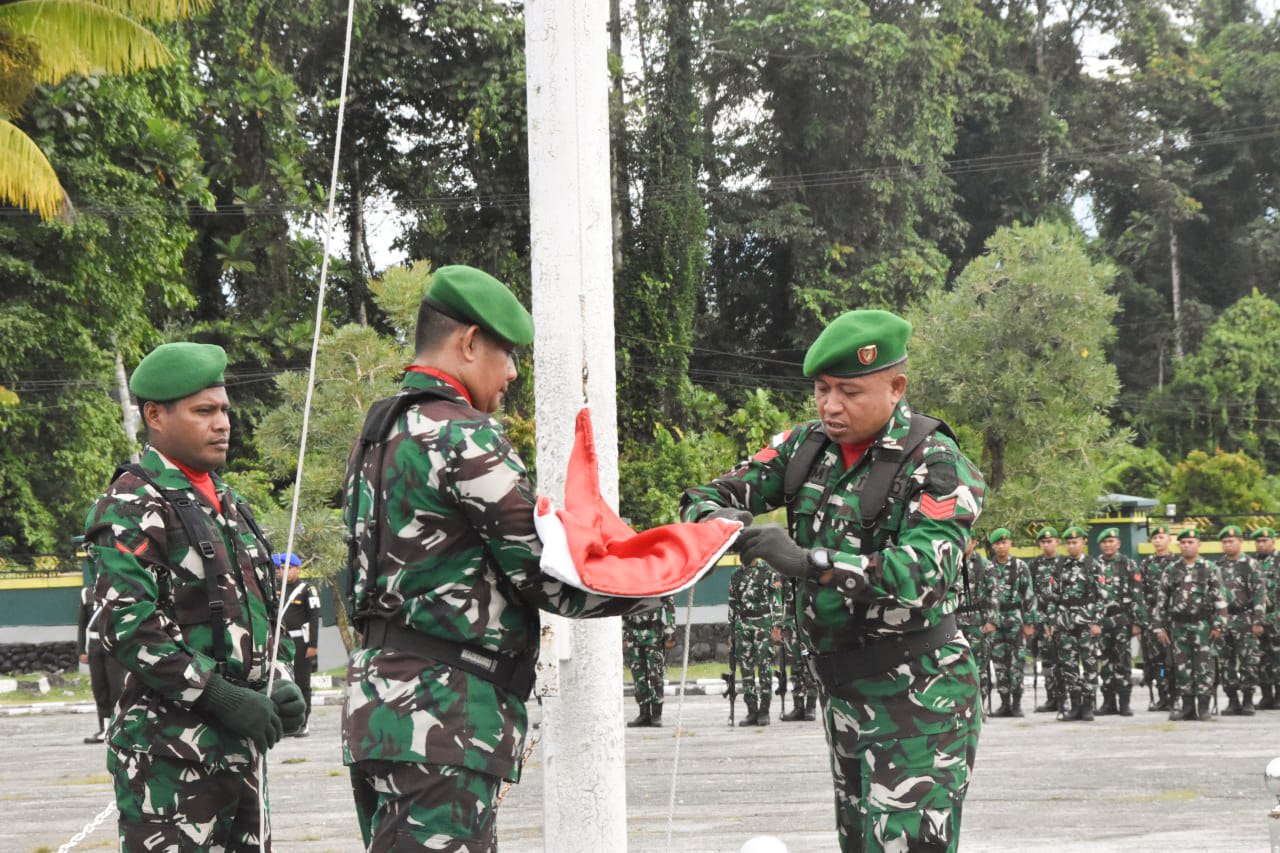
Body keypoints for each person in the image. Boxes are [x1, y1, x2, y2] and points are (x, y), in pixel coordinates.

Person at [341, 265, 661, 852]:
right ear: (467, 342)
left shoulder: (379, 431)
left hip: (383, 713)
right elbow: (541, 573)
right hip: (442, 718)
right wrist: (657, 580)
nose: (512, 373)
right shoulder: (463, 435)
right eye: (506, 353)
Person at [681, 308, 986, 853]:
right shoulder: (806, 447)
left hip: (919, 698)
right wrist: (716, 523)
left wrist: (807, 561)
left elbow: (923, 576)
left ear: (896, 387)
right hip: (843, 694)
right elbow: (711, 493)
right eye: (822, 389)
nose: (831, 406)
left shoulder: (938, 465)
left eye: (849, 391)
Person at [84, 341, 305, 851]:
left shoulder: (229, 503)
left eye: (225, 409)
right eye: (204, 411)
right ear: (155, 415)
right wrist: (218, 695)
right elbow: (127, 627)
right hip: (169, 762)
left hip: (242, 757)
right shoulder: (130, 504)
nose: (222, 423)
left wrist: (283, 680)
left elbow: (265, 612)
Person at [1153, 528, 1227, 722]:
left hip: (1203, 625)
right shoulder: (1171, 569)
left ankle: (1203, 707)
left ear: (1199, 545)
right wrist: (1159, 627)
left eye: (1190, 542)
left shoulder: (1210, 568)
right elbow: (1161, 600)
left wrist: (1219, 625)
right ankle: (1187, 708)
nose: (1186, 545)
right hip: (1178, 625)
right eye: (1183, 542)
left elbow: (1220, 599)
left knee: (1204, 666)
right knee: (1182, 667)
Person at [1043, 525, 1103, 722]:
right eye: (1068, 542)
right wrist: (1051, 622)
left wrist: (1097, 621)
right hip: (1065, 623)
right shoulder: (1059, 567)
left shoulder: (1093, 565)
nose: (1071, 546)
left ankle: (1088, 705)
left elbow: (1102, 597)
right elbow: (1052, 597)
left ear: (1083, 542)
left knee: (1089, 664)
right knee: (1069, 666)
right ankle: (1075, 705)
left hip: (1086, 622)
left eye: (1075, 542)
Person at [1095, 527, 1147, 716]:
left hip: (1123, 621)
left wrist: (1138, 622)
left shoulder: (1128, 564)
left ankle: (1124, 702)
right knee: (1105, 662)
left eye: (1111, 541)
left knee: (1123, 662)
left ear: (1118, 544)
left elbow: (1138, 595)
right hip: (1102, 622)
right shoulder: (1094, 566)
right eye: (1104, 542)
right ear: (1100, 545)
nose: (1108, 545)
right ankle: (1108, 702)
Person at [1215, 525, 1265, 715]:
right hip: (1224, 619)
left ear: (1240, 542)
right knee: (1225, 661)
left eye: (1231, 541)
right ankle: (1232, 700)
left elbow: (1260, 594)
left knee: (1248, 660)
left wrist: (1258, 620)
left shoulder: (1251, 565)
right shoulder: (1218, 566)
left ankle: (1248, 700)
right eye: (1225, 542)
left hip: (1245, 617)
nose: (1228, 545)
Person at [728, 559, 782, 726]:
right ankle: (751, 710)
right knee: (745, 669)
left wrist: (777, 626)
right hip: (742, 624)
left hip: (763, 623)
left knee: (764, 666)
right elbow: (732, 603)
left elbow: (777, 600)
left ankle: (764, 710)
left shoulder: (768, 571)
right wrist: (731, 630)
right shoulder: (736, 574)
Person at [987, 528, 1034, 718]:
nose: (1001, 546)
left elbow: (1028, 595)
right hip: (996, 620)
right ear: (993, 546)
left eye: (1004, 543)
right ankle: (1004, 703)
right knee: (999, 663)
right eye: (997, 543)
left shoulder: (1021, 566)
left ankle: (1016, 703)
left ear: (1010, 544)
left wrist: (1029, 622)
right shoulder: (988, 567)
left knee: (1016, 662)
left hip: (1015, 619)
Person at [76, 564, 124, 744]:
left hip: (112, 644)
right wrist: (81, 650)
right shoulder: (86, 594)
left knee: (116, 689)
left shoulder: (118, 592)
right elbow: (82, 625)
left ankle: (117, 728)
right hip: (95, 645)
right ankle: (104, 729)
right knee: (99, 688)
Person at [275, 552, 322, 735]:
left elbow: (314, 618)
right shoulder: (275, 589)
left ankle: (303, 722)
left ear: (296, 568)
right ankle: (285, 723)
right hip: (281, 642)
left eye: (286, 568)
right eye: (279, 568)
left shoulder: (307, 589)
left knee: (303, 682)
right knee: (283, 682)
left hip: (301, 642)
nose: (281, 572)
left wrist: (313, 645)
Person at [1139, 524, 1179, 711]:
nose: (1158, 541)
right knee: (1156, 662)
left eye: (1161, 537)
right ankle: (1162, 696)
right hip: (1152, 621)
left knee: (1175, 661)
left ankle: (1175, 696)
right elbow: (1140, 594)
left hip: (1173, 620)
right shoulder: (1146, 564)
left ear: (1169, 540)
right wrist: (1145, 621)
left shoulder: (1177, 563)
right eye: (1154, 538)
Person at [957, 538, 998, 717]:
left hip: (977, 623)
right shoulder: (952, 562)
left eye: (967, 540)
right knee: (957, 666)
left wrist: (991, 620)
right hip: (955, 621)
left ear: (973, 542)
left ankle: (979, 707)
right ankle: (961, 707)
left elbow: (993, 594)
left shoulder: (985, 565)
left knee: (979, 667)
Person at [623, 595, 676, 728]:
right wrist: (624, 632)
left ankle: (657, 715)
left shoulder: (657, 579)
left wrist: (670, 632)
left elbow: (669, 606)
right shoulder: (630, 579)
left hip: (653, 635)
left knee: (655, 674)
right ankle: (644, 713)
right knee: (638, 676)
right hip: (633, 634)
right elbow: (623, 605)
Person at [1026, 527, 1064, 713]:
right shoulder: (1034, 565)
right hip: (1041, 620)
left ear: (1057, 542)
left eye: (1050, 541)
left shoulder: (1064, 563)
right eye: (1043, 542)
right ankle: (1051, 698)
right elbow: (1029, 593)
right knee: (1047, 660)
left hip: (1062, 620)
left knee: (1064, 660)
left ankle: (1065, 696)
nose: (1047, 544)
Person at [774, 579, 819, 722]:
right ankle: (798, 707)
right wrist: (778, 625)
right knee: (795, 668)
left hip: (808, 625)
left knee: (810, 666)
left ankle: (810, 707)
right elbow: (779, 603)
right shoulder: (784, 577)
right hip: (790, 626)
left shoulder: (810, 577)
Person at [1252, 527, 1280, 710]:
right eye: (1258, 542)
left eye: (1265, 541)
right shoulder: (1252, 563)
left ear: (1273, 541)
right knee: (1261, 658)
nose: (1261, 545)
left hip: (1277, 618)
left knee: (1277, 657)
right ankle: (1266, 695)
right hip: (1258, 619)